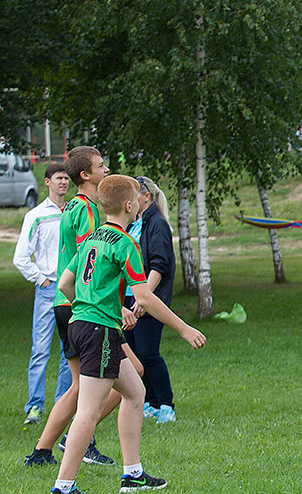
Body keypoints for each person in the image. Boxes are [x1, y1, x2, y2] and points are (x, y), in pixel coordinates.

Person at [51, 174, 206, 494]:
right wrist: (183, 327)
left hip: (80, 324)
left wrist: (105, 306)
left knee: (135, 392)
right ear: (130, 204)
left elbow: (65, 284)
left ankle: (132, 474)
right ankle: (63, 486)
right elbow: (146, 297)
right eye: (136, 197)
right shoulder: (125, 243)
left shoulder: (93, 238)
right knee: (88, 411)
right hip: (98, 333)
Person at [24, 146, 134, 468]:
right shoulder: (87, 212)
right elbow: (96, 259)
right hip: (83, 306)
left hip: (66, 302)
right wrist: (119, 306)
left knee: (77, 387)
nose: (106, 169)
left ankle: (43, 450)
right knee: (121, 379)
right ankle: (80, 441)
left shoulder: (72, 205)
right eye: (101, 166)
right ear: (86, 175)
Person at [14, 164, 73, 425]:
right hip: (48, 290)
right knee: (40, 350)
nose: (63, 183)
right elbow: (21, 257)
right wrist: (42, 279)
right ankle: (34, 407)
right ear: (47, 182)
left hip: (70, 291)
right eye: (58, 179)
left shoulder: (74, 211)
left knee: (68, 351)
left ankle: (62, 403)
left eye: (66, 178)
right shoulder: (36, 215)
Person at [124, 176, 177, 423]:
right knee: (135, 353)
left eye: (135, 193)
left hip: (148, 299)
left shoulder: (156, 224)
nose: (130, 199)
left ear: (146, 196)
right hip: (128, 299)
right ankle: (150, 402)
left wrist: (145, 298)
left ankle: (166, 404)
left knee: (149, 352)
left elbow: (159, 266)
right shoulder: (132, 224)